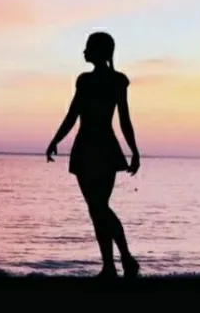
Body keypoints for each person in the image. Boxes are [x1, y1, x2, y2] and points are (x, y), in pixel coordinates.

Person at [46, 31, 140, 279]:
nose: (84, 51)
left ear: (100, 51)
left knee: (99, 207)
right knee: (97, 208)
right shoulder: (92, 80)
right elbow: (73, 114)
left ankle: (125, 259)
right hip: (94, 148)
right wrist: (56, 140)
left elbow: (123, 119)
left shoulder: (107, 81)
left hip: (96, 148)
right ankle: (111, 265)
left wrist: (135, 150)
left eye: (88, 47)